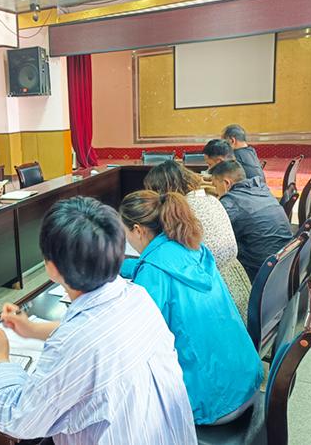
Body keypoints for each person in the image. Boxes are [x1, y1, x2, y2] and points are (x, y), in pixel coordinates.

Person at [0, 196, 197, 445]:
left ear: (51, 267)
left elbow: (19, 421)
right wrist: (32, 329)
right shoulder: (137, 296)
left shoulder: (74, 343)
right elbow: (97, 333)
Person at [119, 190, 263, 425]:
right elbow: (163, 266)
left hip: (212, 402)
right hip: (245, 379)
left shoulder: (154, 272)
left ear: (137, 230)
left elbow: (134, 338)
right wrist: (121, 267)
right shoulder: (193, 249)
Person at [144, 160, 252, 324]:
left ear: (163, 190)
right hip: (238, 283)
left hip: (215, 297)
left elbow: (170, 260)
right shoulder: (211, 199)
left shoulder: (181, 212)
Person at [210, 160, 293, 282]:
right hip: (285, 264)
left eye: (215, 186)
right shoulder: (261, 188)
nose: (216, 191)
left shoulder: (231, 203)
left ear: (226, 183)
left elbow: (214, 236)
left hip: (259, 273)